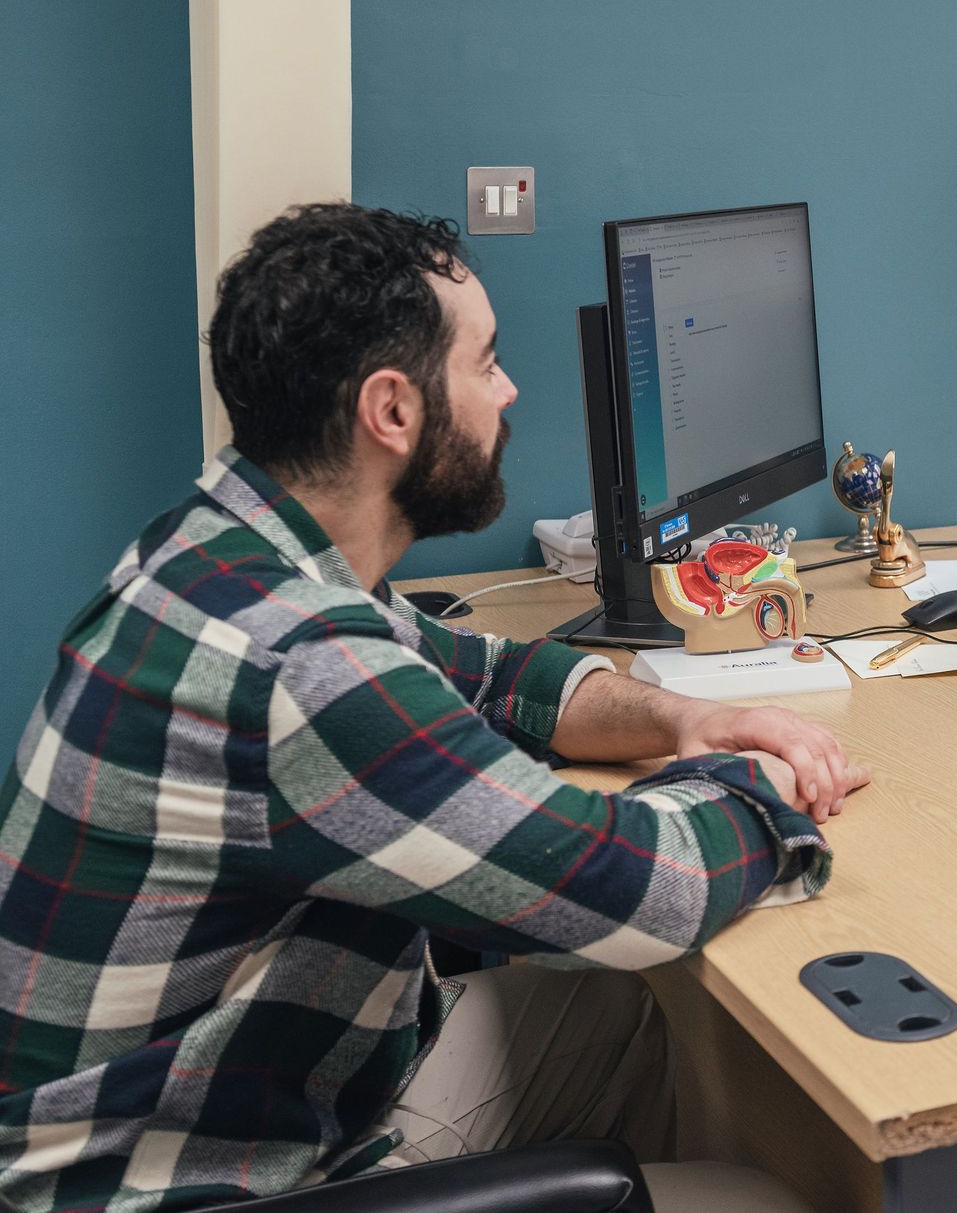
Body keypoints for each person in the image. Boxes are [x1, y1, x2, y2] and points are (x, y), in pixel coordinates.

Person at [0, 204, 862, 1213]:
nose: (508, 392)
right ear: (394, 412)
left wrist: (684, 724)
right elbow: (650, 889)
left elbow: (482, 672)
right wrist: (759, 783)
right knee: (766, 1201)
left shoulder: (220, 549)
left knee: (627, 1021)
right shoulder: (304, 672)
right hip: (178, 1182)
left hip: (231, 1098)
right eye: (485, 362)